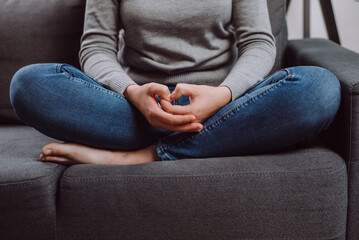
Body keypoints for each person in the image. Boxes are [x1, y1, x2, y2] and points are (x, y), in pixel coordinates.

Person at [9, 0, 340, 165]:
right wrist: (132, 92)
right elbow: (96, 47)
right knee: (29, 84)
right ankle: (208, 141)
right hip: (133, 109)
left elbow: (259, 43)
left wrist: (223, 95)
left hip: (223, 107)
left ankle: (142, 155)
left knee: (318, 89)